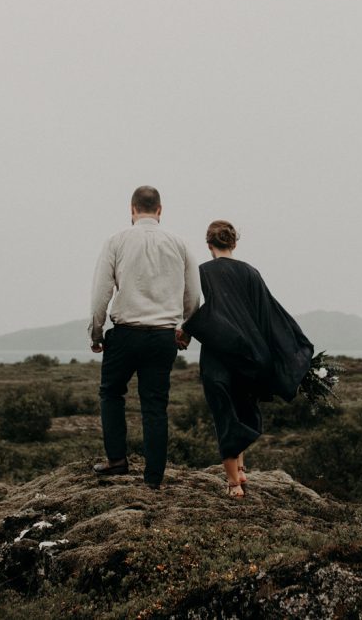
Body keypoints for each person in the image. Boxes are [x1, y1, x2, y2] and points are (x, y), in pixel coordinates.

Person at [177, 221, 314, 499]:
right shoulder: (251, 273)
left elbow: (192, 308)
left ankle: (233, 483)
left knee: (224, 412)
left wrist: (185, 331)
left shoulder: (201, 272)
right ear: (234, 243)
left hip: (219, 353)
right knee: (241, 406)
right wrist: (282, 351)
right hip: (250, 354)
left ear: (208, 245)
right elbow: (269, 314)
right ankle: (239, 468)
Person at [88, 186, 200, 489]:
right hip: (163, 336)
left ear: (132, 209)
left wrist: (96, 332)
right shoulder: (180, 244)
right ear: (160, 210)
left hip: (125, 334)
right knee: (154, 406)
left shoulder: (116, 241)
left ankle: (117, 461)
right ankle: (153, 478)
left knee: (111, 394)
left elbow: (101, 292)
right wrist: (186, 330)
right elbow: (194, 295)